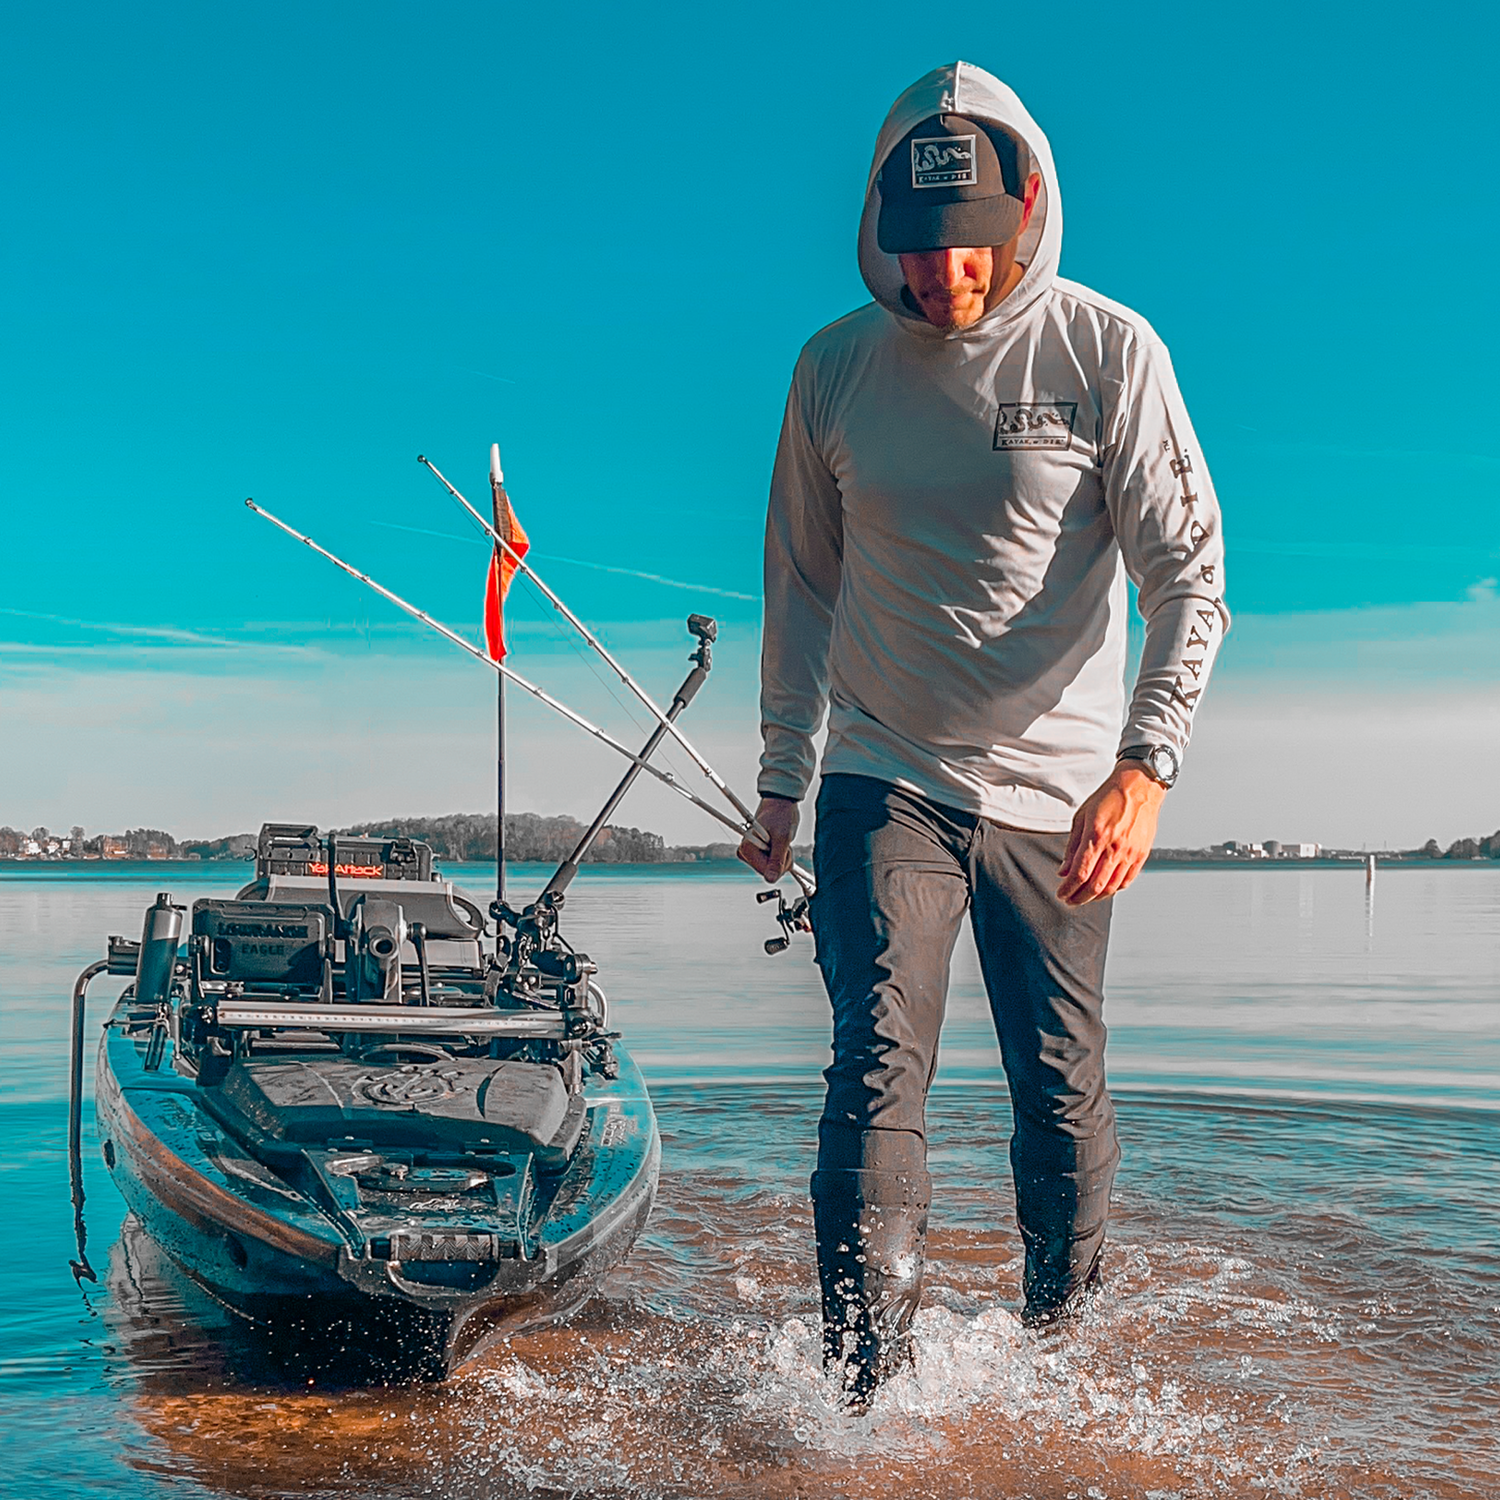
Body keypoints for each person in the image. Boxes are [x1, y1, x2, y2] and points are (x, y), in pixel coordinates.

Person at [738, 60, 1228, 1406]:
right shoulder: (833, 369)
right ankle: (861, 1406)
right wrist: (782, 774)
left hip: (1063, 798)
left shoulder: (1108, 352)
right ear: (876, 226)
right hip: (884, 770)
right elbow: (800, 584)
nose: (942, 276)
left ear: (1026, 215)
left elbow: (1190, 578)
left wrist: (1146, 768)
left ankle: (1062, 1368)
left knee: (1057, 1086)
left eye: (968, 246)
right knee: (875, 1058)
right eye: (915, 247)